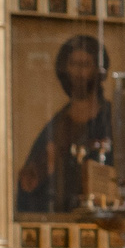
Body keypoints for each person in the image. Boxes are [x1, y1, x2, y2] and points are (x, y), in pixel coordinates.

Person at [15, 33, 113, 215]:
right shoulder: (57, 124)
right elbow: (29, 188)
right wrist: (34, 177)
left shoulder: (112, 121)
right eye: (74, 64)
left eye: (85, 65)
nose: (78, 73)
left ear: (99, 71)